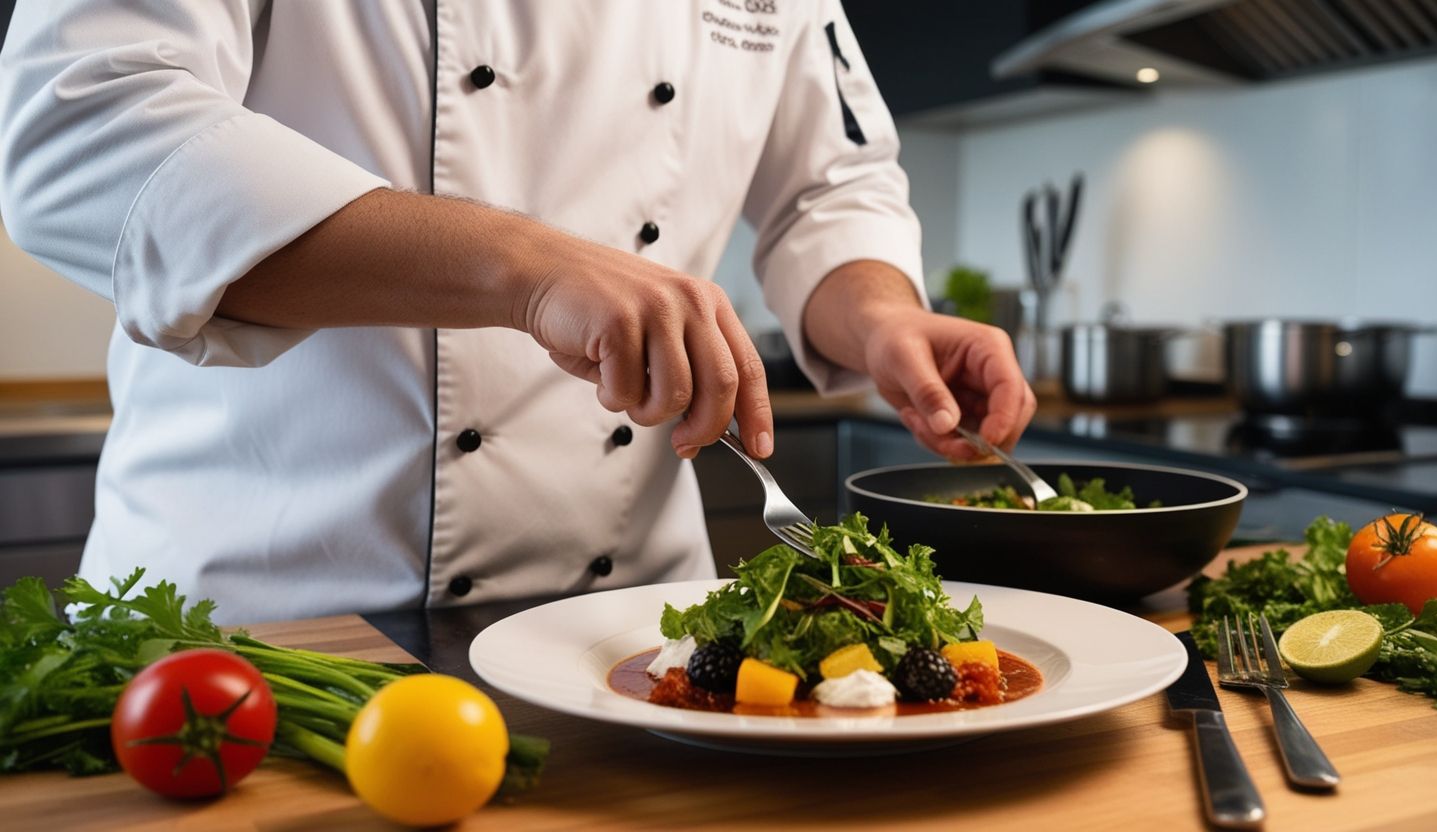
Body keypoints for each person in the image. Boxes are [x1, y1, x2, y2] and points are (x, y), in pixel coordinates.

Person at [0, 2, 1036, 623]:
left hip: (627, 632)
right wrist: (528, 269)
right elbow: (87, 130)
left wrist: (880, 315)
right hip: (266, 624)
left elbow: (831, 185)